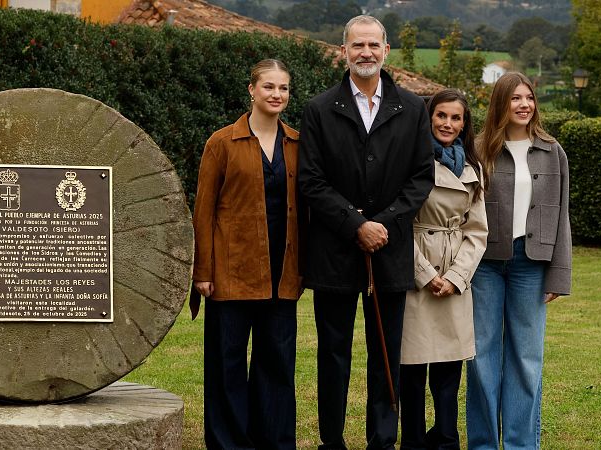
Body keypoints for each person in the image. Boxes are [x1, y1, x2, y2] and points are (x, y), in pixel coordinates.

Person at [298, 15, 434, 450]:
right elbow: (311, 181)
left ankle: (382, 440)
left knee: (386, 353)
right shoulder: (319, 109)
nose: (366, 52)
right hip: (334, 251)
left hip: (390, 251)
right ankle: (331, 441)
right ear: (344, 51)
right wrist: (356, 224)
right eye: (357, 45)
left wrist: (383, 224)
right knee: (333, 353)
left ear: (386, 50)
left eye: (374, 45)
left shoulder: (412, 108)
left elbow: (421, 178)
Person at [191, 58, 302, 450]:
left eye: (283, 88)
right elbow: (203, 210)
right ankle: (230, 443)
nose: (276, 94)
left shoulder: (297, 144)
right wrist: (203, 271)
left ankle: (274, 441)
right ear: (252, 90)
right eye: (268, 86)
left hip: (282, 273)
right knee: (228, 365)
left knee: (278, 364)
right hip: (231, 272)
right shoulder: (222, 142)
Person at [465, 71, 572, 450]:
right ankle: (482, 444)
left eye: (529, 98)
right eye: (515, 98)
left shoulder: (552, 151)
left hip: (532, 265)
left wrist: (559, 275)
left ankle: (521, 444)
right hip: (484, 266)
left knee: (526, 359)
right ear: (501, 103)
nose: (524, 104)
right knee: (481, 356)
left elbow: (561, 215)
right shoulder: (478, 150)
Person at [399, 89, 488, 450]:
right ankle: (413, 441)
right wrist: (425, 274)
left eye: (456, 118)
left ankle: (447, 439)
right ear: (428, 117)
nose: (448, 124)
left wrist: (455, 277)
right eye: (441, 116)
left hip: (454, 276)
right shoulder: (408, 161)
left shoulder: (472, 168)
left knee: (449, 370)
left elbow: (477, 232)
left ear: (465, 124)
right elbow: (398, 225)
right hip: (415, 271)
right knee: (412, 368)